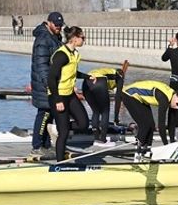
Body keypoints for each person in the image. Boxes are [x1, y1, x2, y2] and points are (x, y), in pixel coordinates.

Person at [46, 25, 90, 162]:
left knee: (83, 123)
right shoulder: (61, 55)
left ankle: (57, 127)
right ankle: (60, 163)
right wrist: (58, 100)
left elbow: (71, 72)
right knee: (64, 133)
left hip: (69, 94)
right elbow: (51, 78)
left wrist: (87, 77)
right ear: (75, 39)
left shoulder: (74, 53)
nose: (84, 39)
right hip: (57, 96)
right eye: (83, 37)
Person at [120, 79, 178, 161]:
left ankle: (146, 151)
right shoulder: (164, 99)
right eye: (177, 105)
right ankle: (137, 153)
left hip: (141, 99)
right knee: (145, 125)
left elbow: (171, 124)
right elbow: (161, 125)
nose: (177, 107)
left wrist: (172, 143)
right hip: (129, 95)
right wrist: (166, 146)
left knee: (151, 125)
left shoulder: (174, 100)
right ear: (176, 96)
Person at [29, 11, 64, 158]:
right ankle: (37, 146)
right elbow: (42, 65)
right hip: (45, 84)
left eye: (60, 25)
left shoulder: (54, 37)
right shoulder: (43, 39)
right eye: (56, 25)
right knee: (44, 114)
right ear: (48, 23)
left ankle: (46, 145)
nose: (58, 27)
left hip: (53, 82)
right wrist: (48, 84)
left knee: (49, 115)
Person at [81, 65, 124, 144]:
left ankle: (96, 138)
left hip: (86, 82)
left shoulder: (106, 70)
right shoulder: (119, 76)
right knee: (105, 111)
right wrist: (116, 118)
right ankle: (103, 139)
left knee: (96, 111)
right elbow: (118, 98)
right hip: (100, 81)